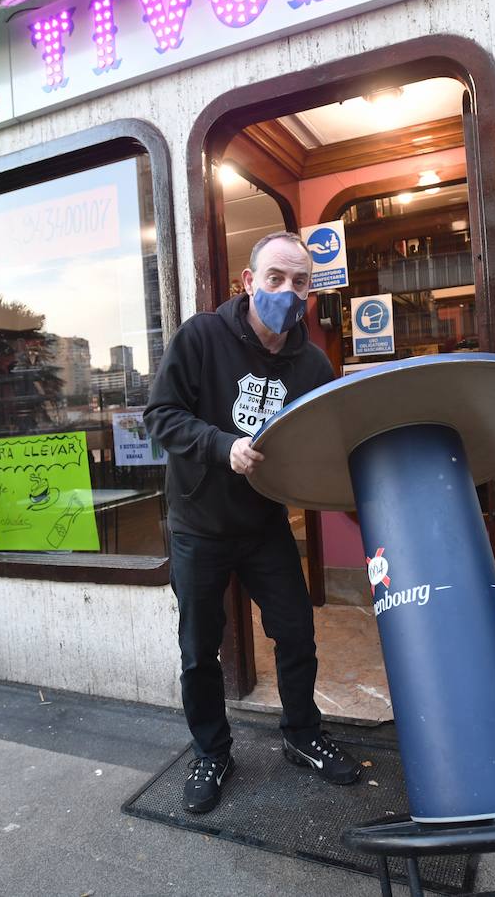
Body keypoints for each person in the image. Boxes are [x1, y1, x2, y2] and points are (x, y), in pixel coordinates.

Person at [145, 232, 363, 814]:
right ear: (248, 282)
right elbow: (160, 416)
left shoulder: (311, 361)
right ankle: (212, 751)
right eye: (276, 279)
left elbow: (324, 440)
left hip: (266, 522)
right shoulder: (202, 338)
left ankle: (301, 734)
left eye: (300, 283)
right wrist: (222, 446)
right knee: (199, 649)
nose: (288, 293)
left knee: (294, 631)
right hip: (198, 523)